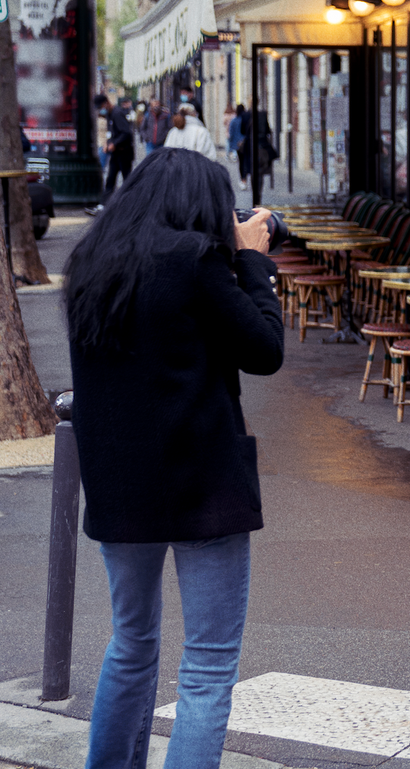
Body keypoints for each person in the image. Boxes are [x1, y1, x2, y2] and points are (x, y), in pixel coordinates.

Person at [63, 150, 284, 769]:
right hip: (201, 484)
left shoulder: (90, 263)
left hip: (117, 486)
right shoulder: (196, 261)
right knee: (209, 665)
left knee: (131, 644)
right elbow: (264, 349)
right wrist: (252, 260)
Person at [96, 94, 135, 198]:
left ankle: (131, 201)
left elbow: (126, 133)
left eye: (101, 107)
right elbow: (111, 133)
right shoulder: (110, 114)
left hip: (124, 152)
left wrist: (115, 143)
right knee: (110, 178)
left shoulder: (117, 113)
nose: (100, 110)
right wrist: (108, 143)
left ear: (106, 103)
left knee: (127, 179)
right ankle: (104, 203)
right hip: (116, 152)